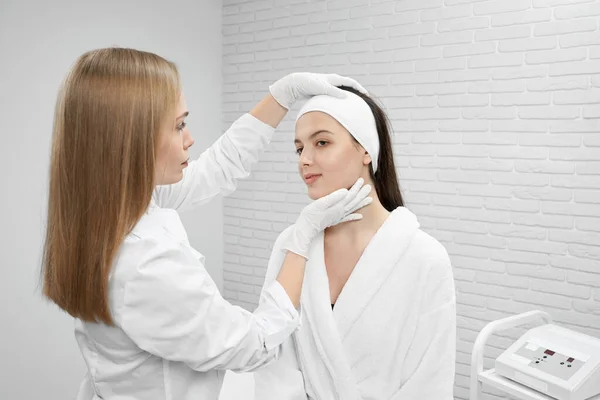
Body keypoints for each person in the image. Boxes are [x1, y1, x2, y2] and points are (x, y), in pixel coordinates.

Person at [40, 47, 374, 400]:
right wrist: (302, 235)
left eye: (322, 143)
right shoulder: (144, 265)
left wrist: (282, 94)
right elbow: (257, 344)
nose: (190, 138)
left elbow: (214, 170)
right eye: (178, 125)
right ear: (131, 141)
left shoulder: (113, 205)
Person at [253, 86, 457, 400]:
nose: (305, 160)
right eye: (299, 148)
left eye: (322, 142)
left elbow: (430, 382)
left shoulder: (425, 258)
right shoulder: (292, 244)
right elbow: (274, 363)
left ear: (366, 150)